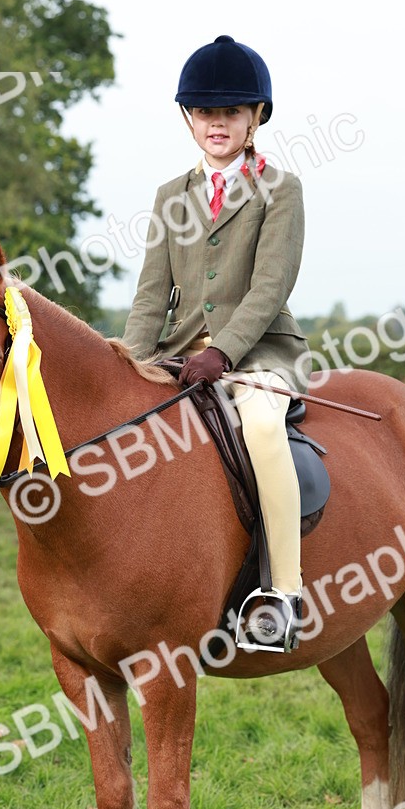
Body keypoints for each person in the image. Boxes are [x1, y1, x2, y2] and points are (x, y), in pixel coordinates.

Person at [122, 35, 313, 652]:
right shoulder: (169, 196)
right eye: (205, 113)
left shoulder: (280, 190)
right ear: (189, 118)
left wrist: (222, 352)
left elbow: (269, 286)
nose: (217, 124)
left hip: (257, 353)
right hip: (179, 355)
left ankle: (284, 595)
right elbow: (152, 294)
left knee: (259, 428)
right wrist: (129, 362)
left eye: (230, 112)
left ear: (256, 117)